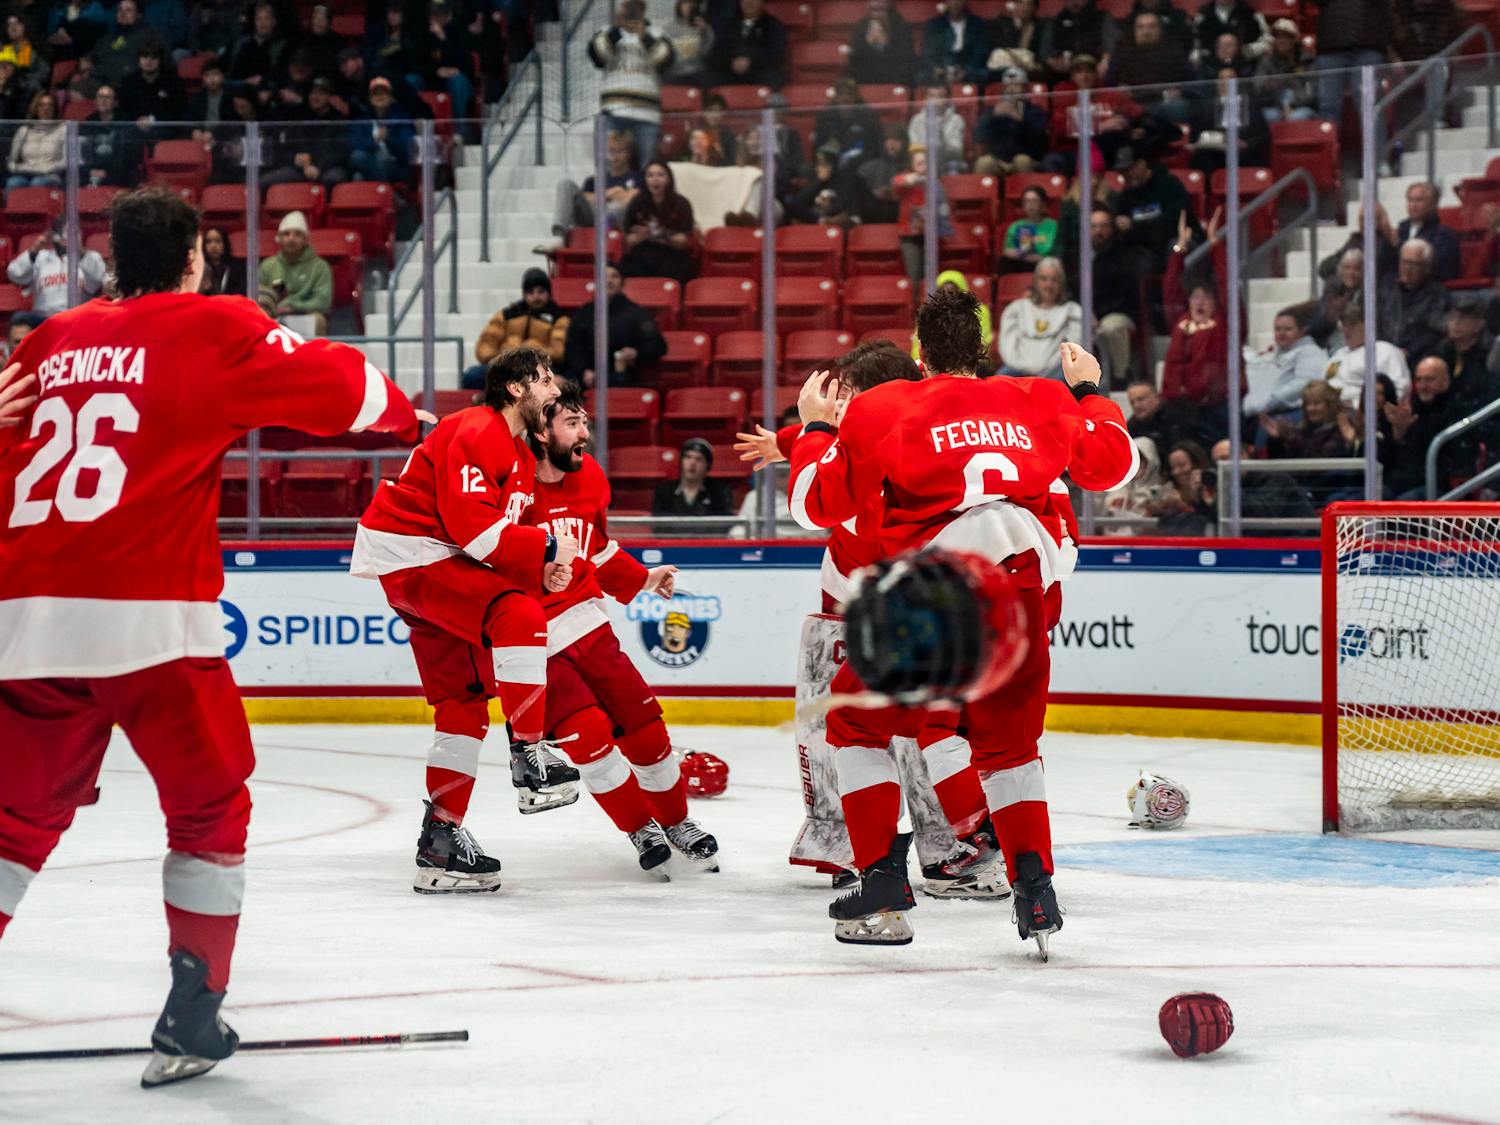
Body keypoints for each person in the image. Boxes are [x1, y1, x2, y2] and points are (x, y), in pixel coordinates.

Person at [0, 185, 419, 1088]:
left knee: (10, 828)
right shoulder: (213, 323)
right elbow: (349, 390)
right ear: (195, 259)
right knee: (210, 808)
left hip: (24, 619)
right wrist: (404, 413)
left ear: (111, 263)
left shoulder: (47, 338)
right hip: (151, 619)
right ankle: (193, 1009)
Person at [785, 289, 1137, 951]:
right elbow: (1115, 463)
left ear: (920, 352)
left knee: (856, 724)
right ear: (983, 347)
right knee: (1010, 749)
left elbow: (814, 506)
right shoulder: (1040, 398)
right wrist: (1090, 390)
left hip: (933, 588)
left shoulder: (888, 405)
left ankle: (882, 881)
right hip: (1019, 592)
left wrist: (815, 430)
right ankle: (1035, 890)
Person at [735, 341, 1010, 898]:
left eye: (850, 397)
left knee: (880, 737)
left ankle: (922, 850)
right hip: (876, 609)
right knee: (875, 736)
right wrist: (789, 439)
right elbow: (828, 442)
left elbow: (820, 488)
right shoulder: (908, 436)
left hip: (875, 615)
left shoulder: (871, 451)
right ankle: (907, 849)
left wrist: (806, 434)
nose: (844, 407)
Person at [351, 346, 582, 892]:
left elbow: (493, 546)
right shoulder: (477, 430)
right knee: (519, 615)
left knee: (463, 706)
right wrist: (548, 547)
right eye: (545, 379)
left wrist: (542, 566)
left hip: (429, 561)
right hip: (414, 555)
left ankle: (440, 840)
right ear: (515, 389)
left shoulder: (520, 455)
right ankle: (530, 756)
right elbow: (475, 534)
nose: (555, 388)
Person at [524, 387, 720, 871]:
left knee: (647, 730)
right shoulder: (510, 485)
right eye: (572, 423)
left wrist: (642, 578)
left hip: (590, 628)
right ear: (541, 433)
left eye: (584, 421)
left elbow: (599, 546)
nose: (585, 433)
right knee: (588, 737)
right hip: (532, 642)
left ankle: (676, 821)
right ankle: (639, 829)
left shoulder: (589, 476)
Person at [590, 0, 674, 170]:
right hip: (614, 111)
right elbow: (598, 56)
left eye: (636, 8)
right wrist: (616, 30)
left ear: (643, 10)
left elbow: (665, 61)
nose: (631, 12)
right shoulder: (606, 32)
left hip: (647, 115)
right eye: (627, 7)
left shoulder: (657, 34)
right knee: (608, 168)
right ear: (621, 8)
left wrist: (643, 35)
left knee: (649, 168)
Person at [562, 263, 666, 387]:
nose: (609, 281)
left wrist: (635, 352)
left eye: (614, 276)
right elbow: (573, 346)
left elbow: (657, 345)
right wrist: (583, 370)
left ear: (621, 283)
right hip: (587, 376)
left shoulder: (636, 313)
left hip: (622, 376)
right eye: (603, 277)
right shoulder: (584, 313)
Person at [464, 267, 570, 389]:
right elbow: (487, 341)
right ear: (524, 294)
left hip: (538, 368)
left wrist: (527, 354)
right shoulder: (507, 314)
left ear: (549, 293)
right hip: (506, 366)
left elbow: (558, 351)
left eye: (541, 291)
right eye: (531, 292)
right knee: (471, 376)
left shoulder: (559, 317)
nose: (536, 296)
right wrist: (496, 359)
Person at [1385, 355, 1475, 497]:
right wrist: (1399, 433)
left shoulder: (1457, 409)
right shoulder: (1411, 410)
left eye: (1429, 379)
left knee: (1399, 507)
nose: (1423, 386)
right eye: (1419, 380)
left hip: (1441, 488)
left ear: (1445, 381)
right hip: (1404, 485)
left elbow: (1451, 458)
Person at [1090, 204, 1155, 385]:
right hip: (1086, 314)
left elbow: (1124, 297)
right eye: (1094, 227)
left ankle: (1120, 377)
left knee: (1111, 327)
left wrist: (1097, 314)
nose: (1098, 231)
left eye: (1103, 226)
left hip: (1119, 314)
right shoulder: (1077, 258)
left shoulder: (1124, 257)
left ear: (1112, 229)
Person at [997, 257, 1082, 378]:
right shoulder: (1016, 309)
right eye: (1044, 279)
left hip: (1055, 372)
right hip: (1016, 370)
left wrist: (1045, 373)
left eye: (1054, 280)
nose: (1049, 285)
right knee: (996, 383)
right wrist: (1024, 370)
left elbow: (1073, 349)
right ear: (1035, 281)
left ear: (1061, 283)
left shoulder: (1072, 311)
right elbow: (1007, 347)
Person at [1242, 303, 1328, 421]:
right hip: (1253, 412)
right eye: (1277, 329)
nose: (1281, 334)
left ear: (1302, 331)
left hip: (1282, 415)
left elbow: (1305, 384)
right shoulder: (1278, 353)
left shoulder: (1310, 352)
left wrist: (1268, 402)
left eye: (1288, 329)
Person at [1313, 0, 1392, 123]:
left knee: (1370, 106)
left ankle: (1376, 143)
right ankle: (1327, 142)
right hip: (1332, 44)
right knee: (1328, 107)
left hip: (1368, 43)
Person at [256, 211, 333, 334]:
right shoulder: (267, 266)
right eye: (286, 234)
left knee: (319, 320)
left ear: (305, 239)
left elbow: (322, 301)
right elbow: (258, 297)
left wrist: (293, 306)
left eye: (297, 234)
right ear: (279, 238)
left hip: (305, 315)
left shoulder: (320, 267)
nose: (291, 239)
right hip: (274, 315)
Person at [620, 160, 696, 284]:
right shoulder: (636, 202)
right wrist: (639, 237)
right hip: (642, 254)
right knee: (626, 268)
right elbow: (628, 239)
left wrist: (663, 235)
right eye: (650, 175)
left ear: (669, 179)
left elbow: (684, 241)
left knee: (678, 268)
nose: (655, 179)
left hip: (671, 254)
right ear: (645, 180)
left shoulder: (681, 204)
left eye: (660, 175)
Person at [6, 222, 108, 315]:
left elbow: (100, 279)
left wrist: (79, 251)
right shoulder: (41, 257)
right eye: (65, 233)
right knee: (19, 318)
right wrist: (35, 249)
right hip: (44, 319)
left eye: (74, 233)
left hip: (77, 317)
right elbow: (14, 274)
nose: (68, 237)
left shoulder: (90, 257)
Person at [1379, 238, 1451, 368]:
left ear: (1427, 267)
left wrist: (1410, 351)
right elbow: (1377, 322)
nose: (1407, 269)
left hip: (1415, 357)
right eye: (1404, 262)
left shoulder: (1437, 295)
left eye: (1414, 264)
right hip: (1384, 354)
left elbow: (1434, 332)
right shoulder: (1387, 289)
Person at [1324, 302, 1412, 406]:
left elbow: (1400, 387)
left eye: (1352, 325)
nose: (1346, 331)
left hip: (1363, 413)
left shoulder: (1384, 350)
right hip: (1330, 411)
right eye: (1344, 325)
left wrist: (1361, 407)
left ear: (1368, 325)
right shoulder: (1338, 355)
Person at [974, 65, 1047, 177]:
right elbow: (978, 136)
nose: (1011, 89)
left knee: (1022, 160)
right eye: (1008, 86)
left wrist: (1019, 119)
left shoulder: (1035, 112)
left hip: (1027, 157)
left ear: (1025, 88)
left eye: (1016, 85)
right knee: (984, 163)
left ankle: (1029, 194)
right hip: (998, 159)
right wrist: (992, 116)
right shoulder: (993, 111)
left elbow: (1039, 141)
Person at [1435, 296, 1498, 409]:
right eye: (1452, 317)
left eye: (1463, 318)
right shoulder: (1441, 350)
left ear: (1479, 324)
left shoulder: (1490, 353)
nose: (1455, 323)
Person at [1262, 380, 1353, 458]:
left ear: (1330, 405)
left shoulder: (1341, 430)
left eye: (1316, 403)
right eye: (1307, 404)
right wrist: (1278, 438)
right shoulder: (1303, 429)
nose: (1310, 408)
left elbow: (1320, 461)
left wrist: (1291, 436)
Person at [348, 75, 414, 182]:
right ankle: (391, 195)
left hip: (395, 165)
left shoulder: (402, 118)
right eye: (376, 94)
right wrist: (374, 142)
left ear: (391, 97)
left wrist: (389, 139)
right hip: (371, 161)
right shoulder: (362, 120)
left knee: (360, 175)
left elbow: (408, 151)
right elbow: (354, 144)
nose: (380, 97)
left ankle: (386, 191)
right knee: (357, 165)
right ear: (370, 99)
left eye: (384, 93)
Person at [708, 0, 785, 88]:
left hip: (758, 72)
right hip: (730, 72)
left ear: (762, 2)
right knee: (708, 79)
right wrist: (731, 62)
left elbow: (775, 53)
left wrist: (750, 61)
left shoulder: (773, 25)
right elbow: (716, 53)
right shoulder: (727, 23)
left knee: (775, 78)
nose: (749, 2)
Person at [1395, 182, 1461, 283]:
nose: (1413, 205)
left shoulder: (1445, 236)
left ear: (1433, 204)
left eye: (1419, 200)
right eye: (1410, 200)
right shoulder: (1400, 231)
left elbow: (1442, 268)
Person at [1255, 18, 1316, 124]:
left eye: (1285, 37)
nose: (1281, 41)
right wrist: (1267, 85)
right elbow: (1257, 85)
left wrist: (1292, 104)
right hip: (1275, 106)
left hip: (1302, 106)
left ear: (1294, 39)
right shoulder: (1267, 61)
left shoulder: (1307, 60)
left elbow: (1313, 90)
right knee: (1268, 116)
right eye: (1277, 37)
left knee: (1296, 117)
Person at [652, 436, 732, 517]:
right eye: (688, 457)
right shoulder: (664, 491)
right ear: (681, 462)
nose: (692, 463)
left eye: (699, 459)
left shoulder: (720, 492)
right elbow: (659, 526)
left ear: (707, 465)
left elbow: (723, 525)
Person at [1126, 378, 1212, 453]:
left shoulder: (1178, 417)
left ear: (1156, 397)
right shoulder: (1131, 426)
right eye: (1132, 402)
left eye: (1140, 399)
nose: (1136, 405)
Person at [815, 78, 884, 168]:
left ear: (855, 97)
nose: (845, 98)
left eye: (849, 94)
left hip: (861, 166)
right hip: (833, 166)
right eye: (841, 94)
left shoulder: (868, 116)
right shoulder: (826, 116)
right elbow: (820, 147)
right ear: (836, 97)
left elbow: (873, 149)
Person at [846, 0, 917, 86]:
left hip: (895, 79)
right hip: (865, 79)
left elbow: (906, 60)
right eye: (875, 7)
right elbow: (855, 61)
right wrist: (868, 45)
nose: (877, 3)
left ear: (888, 4)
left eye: (881, 4)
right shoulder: (861, 27)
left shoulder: (901, 26)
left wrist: (884, 46)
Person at [921, 0, 991, 84]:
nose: (955, 3)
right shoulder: (934, 25)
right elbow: (928, 52)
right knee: (922, 77)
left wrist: (967, 70)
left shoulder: (978, 24)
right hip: (942, 65)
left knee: (984, 75)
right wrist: (936, 68)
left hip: (967, 66)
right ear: (946, 2)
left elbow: (981, 52)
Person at [907, 79, 967, 175]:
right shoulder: (916, 120)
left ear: (948, 100)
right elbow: (914, 147)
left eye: (941, 96)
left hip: (947, 163)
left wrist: (940, 135)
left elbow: (957, 151)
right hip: (923, 163)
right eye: (932, 96)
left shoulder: (957, 120)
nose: (935, 101)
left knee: (953, 166)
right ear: (926, 98)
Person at [6, 91, 65, 189]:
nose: (46, 109)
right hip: (26, 174)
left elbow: (67, 162)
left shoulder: (63, 129)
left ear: (55, 109)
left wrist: (46, 169)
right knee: (13, 182)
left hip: (51, 175)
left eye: (50, 105)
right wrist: (21, 168)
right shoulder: (24, 130)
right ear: (35, 108)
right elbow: (12, 161)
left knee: (38, 183)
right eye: (41, 105)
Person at [88, 0, 153, 88]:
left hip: (126, 85)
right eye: (120, 10)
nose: (122, 13)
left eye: (128, 10)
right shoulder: (109, 36)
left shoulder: (147, 37)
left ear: (138, 15)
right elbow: (94, 56)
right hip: (99, 80)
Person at [119, 40, 185, 123]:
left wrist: (152, 120)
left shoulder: (174, 82)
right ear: (139, 59)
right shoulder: (128, 83)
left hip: (164, 131)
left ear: (160, 60)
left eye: (154, 56)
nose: (149, 60)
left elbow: (178, 112)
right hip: (133, 130)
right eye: (145, 56)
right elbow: (123, 111)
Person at [1001, 186, 1058, 266]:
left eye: (1034, 201)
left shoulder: (1053, 226)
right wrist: (1021, 254)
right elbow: (1007, 250)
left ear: (1043, 204)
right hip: (1019, 263)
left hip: (1046, 265)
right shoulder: (1015, 226)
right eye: (1026, 201)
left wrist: (1039, 257)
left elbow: (1054, 252)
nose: (1030, 204)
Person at [664, 0, 714, 84]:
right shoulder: (670, 27)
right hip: (675, 72)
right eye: (685, 3)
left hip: (697, 70)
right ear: (679, 5)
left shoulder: (702, 26)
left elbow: (706, 53)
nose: (688, 7)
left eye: (692, 3)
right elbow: (665, 52)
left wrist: (704, 32)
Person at [197, 224, 247, 297]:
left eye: (218, 241)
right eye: (208, 242)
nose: (213, 246)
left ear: (225, 244)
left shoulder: (238, 267)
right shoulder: (200, 268)